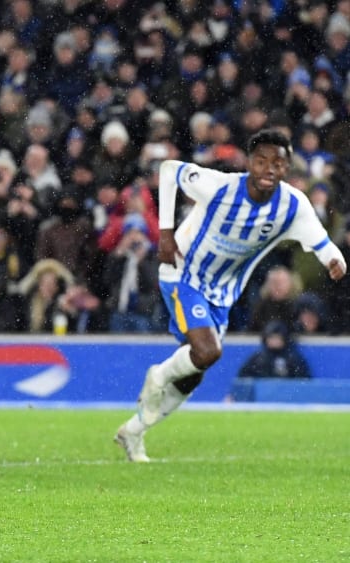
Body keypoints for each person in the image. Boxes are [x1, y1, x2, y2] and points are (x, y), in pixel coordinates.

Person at [115, 129, 346, 463]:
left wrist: (336, 261)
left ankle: (134, 431)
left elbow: (323, 244)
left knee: (193, 373)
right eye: (262, 161)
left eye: (277, 163)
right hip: (184, 274)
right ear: (250, 163)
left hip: (222, 294)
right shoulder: (220, 186)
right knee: (207, 351)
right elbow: (169, 170)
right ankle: (158, 375)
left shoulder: (293, 206)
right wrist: (165, 234)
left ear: (286, 169)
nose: (269, 169)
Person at [236, 321, 311, 380]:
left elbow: (303, 379)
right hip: (262, 393)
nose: (274, 341)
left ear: (284, 339)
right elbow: (243, 377)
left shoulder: (293, 357)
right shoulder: (258, 358)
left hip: (287, 393)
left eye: (277, 338)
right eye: (271, 337)